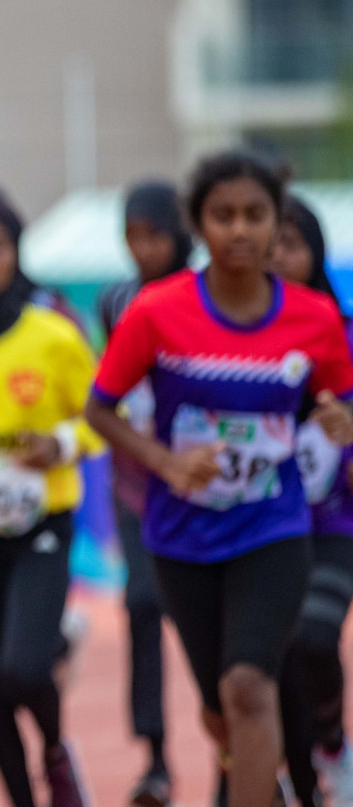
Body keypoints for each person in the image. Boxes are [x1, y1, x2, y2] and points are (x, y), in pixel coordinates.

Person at [86, 151, 353, 807]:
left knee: (248, 688)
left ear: (274, 223)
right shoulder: (156, 311)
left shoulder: (313, 319)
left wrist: (337, 416)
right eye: (223, 215)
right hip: (181, 535)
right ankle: (257, 772)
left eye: (254, 215)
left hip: (273, 527)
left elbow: (339, 396)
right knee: (218, 707)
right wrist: (167, 462)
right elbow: (99, 409)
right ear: (199, 226)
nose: (239, 230)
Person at [0, 189, 98, 807]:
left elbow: (102, 419)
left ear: (16, 254)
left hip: (40, 525)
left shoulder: (52, 336)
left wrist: (59, 443)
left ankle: (56, 751)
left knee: (24, 671)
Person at [96, 180, 192, 807]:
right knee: (140, 603)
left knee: (206, 617)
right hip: (138, 481)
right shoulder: (116, 300)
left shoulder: (203, 296)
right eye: (132, 236)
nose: (142, 249)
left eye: (153, 235)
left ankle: (244, 738)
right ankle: (155, 755)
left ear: (178, 234)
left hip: (202, 480)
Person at [273, 194, 353, 806]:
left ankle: (331, 740)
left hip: (334, 522)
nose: (277, 257)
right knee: (268, 665)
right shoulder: (231, 335)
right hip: (259, 523)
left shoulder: (343, 332)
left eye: (290, 245)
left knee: (314, 637)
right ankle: (300, 780)